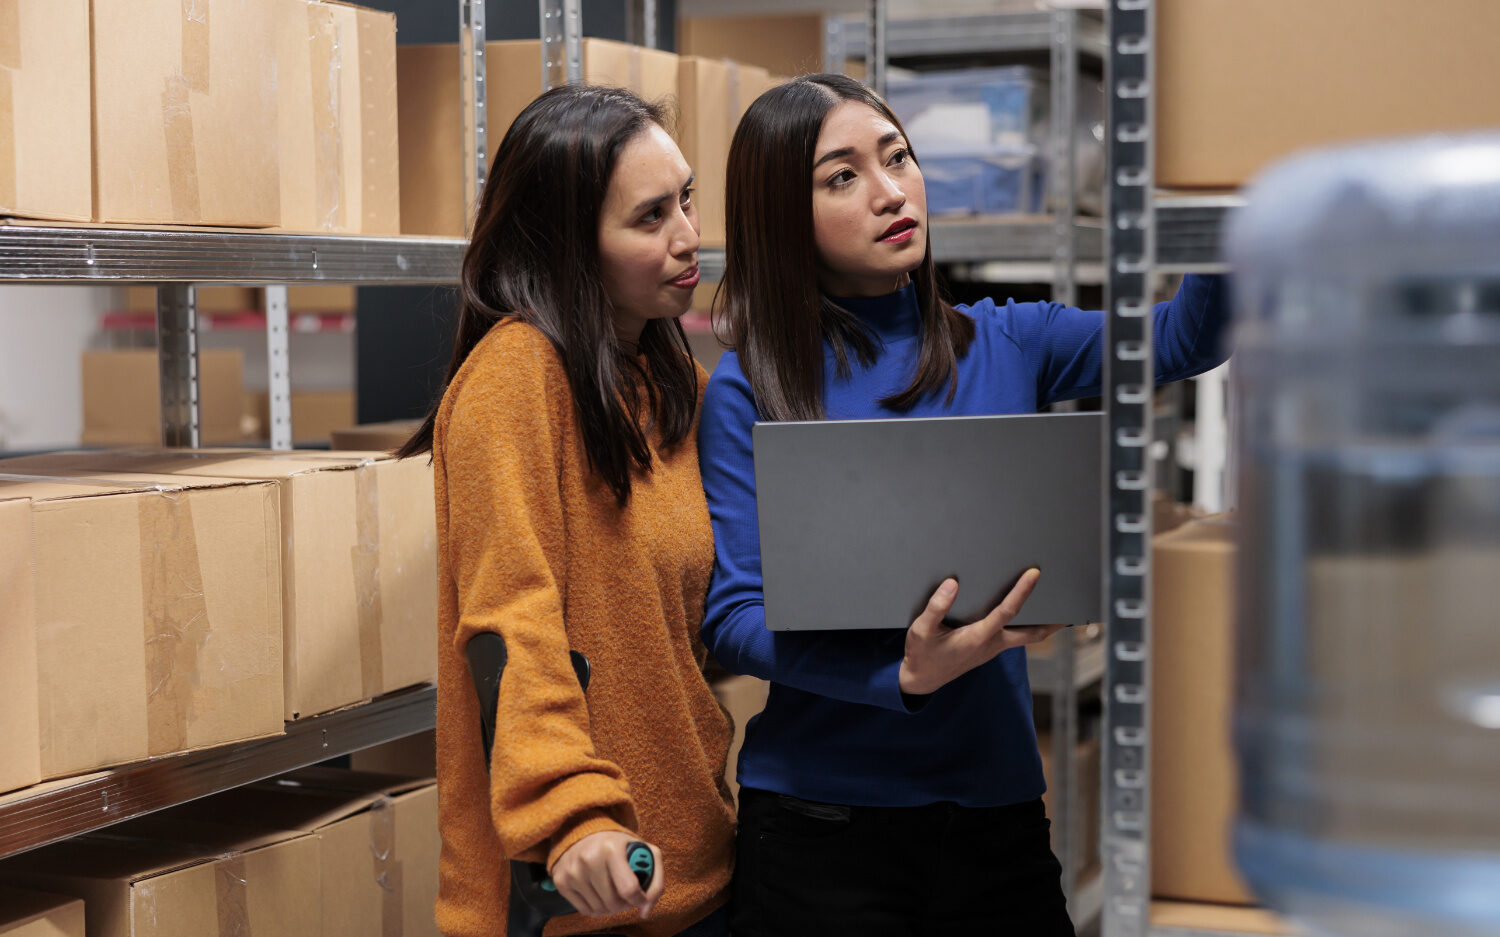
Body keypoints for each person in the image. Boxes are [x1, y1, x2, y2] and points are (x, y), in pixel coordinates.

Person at [698, 73, 1230, 937]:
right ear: (781, 217)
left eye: (897, 157)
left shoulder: (1008, 340)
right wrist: (900, 676)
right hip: (817, 829)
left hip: (997, 816)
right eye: (842, 176)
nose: (890, 190)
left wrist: (1217, 193)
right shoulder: (749, 385)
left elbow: (1184, 337)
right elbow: (732, 616)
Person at [398, 85, 734, 937]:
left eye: (686, 200)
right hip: (573, 893)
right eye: (650, 217)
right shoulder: (515, 379)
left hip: (695, 875)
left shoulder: (667, 385)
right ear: (569, 246)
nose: (689, 237)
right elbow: (512, 626)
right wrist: (571, 815)